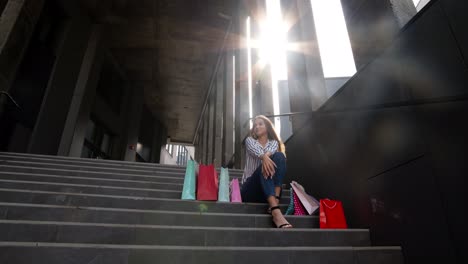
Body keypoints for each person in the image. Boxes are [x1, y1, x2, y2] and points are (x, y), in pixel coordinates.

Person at [240, 115, 292, 228]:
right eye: (255, 125)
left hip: (269, 191)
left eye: (260, 124)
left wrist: (266, 157)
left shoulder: (273, 143)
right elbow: (257, 151)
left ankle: (276, 200)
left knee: (279, 156)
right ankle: (276, 212)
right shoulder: (250, 141)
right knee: (265, 165)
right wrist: (264, 157)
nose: (257, 127)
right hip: (250, 190)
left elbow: (272, 150)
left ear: (267, 127)